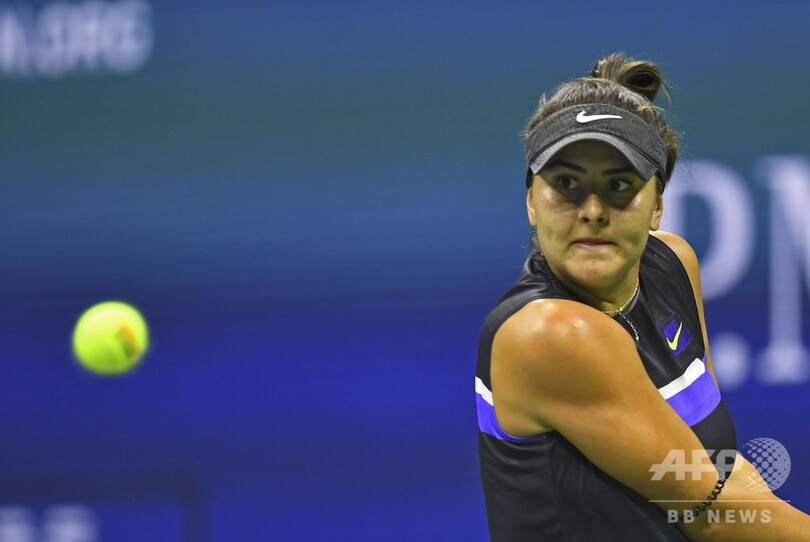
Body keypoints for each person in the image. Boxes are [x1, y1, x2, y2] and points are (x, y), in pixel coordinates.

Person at [475, 52, 810, 541]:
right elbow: (713, 514)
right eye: (566, 184)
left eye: (619, 185)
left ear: (657, 206)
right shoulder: (549, 333)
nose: (592, 210)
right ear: (531, 202)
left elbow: (722, 469)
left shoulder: (674, 264)